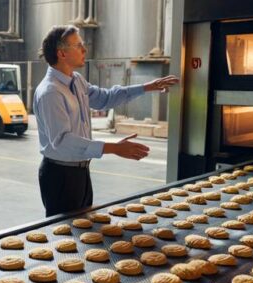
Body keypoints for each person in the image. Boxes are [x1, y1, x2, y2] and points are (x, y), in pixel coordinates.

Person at [33, 25, 179, 216]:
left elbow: (105, 98)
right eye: (78, 45)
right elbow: (62, 142)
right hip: (60, 175)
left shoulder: (76, 81)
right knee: (64, 237)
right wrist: (113, 148)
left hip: (80, 172)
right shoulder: (51, 92)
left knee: (83, 229)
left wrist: (146, 87)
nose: (85, 50)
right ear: (61, 53)